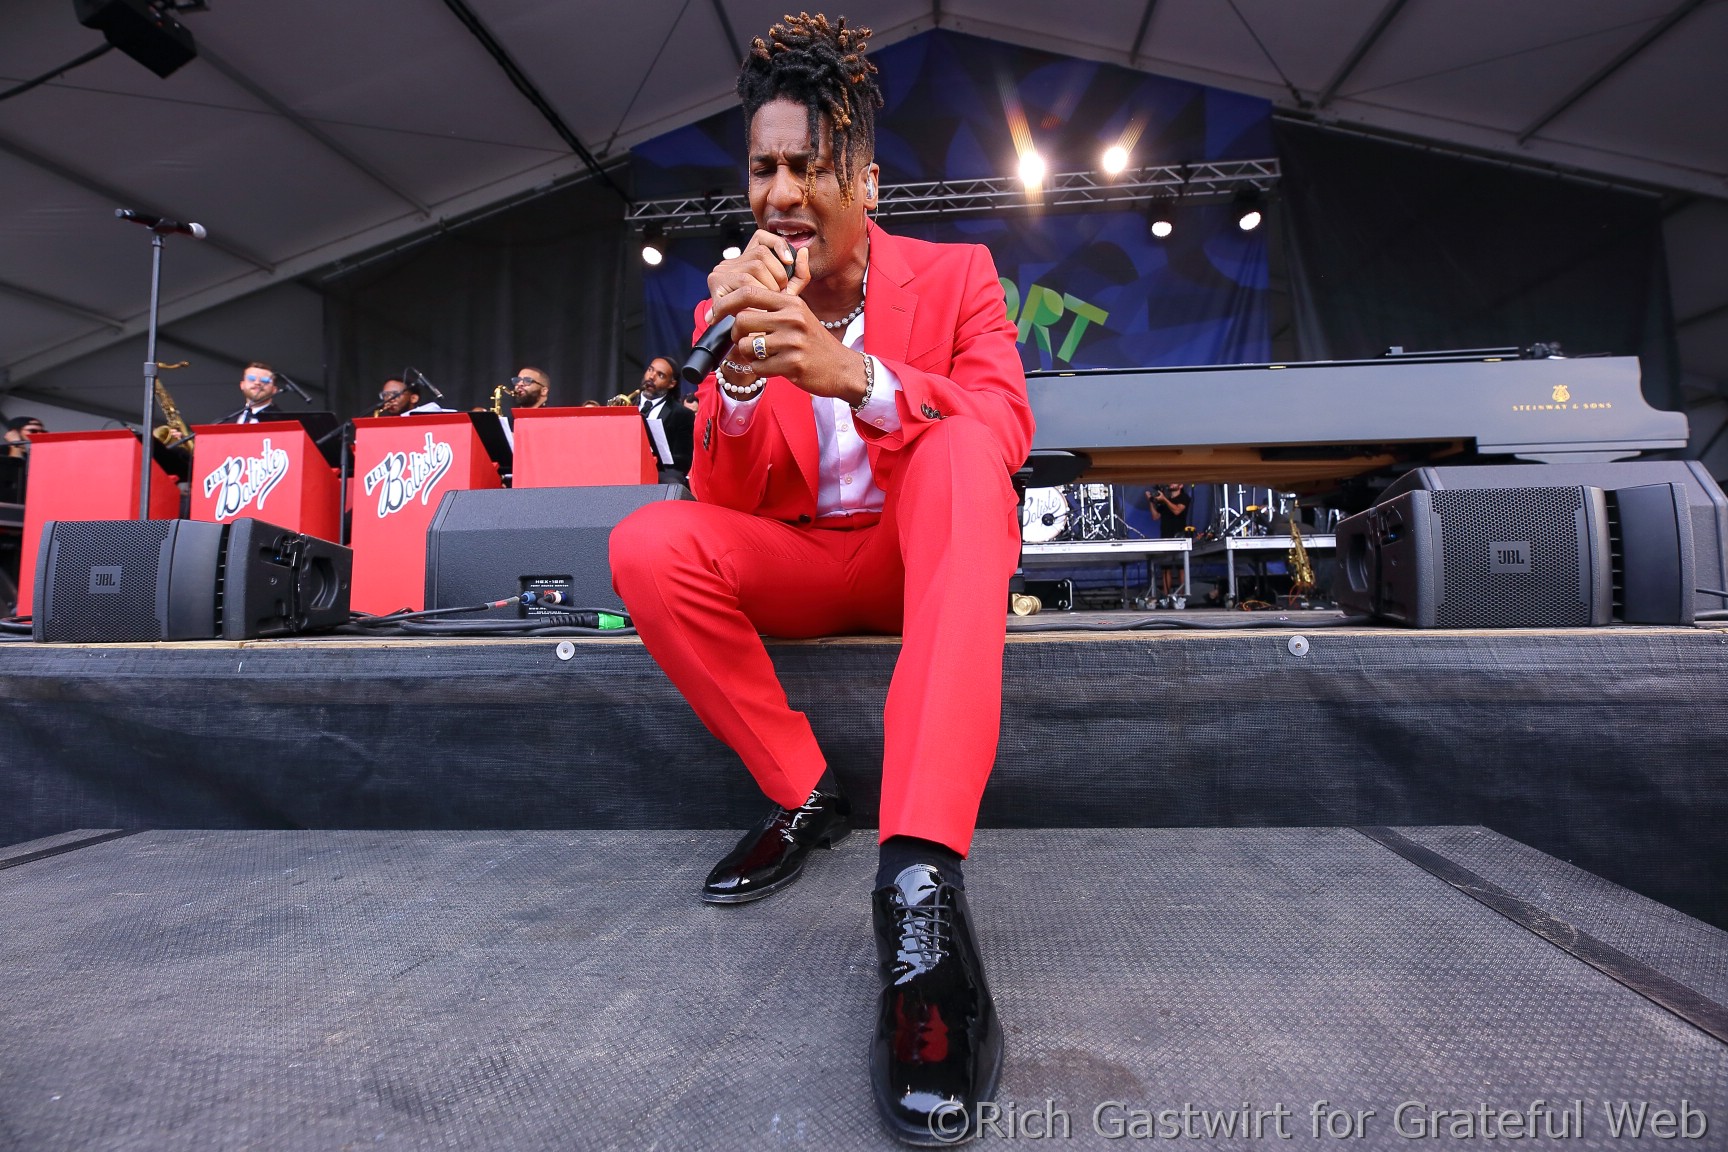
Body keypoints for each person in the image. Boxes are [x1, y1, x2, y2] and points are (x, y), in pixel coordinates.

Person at [609, 14, 1030, 1143]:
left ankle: (920, 887)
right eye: (764, 166)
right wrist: (739, 385)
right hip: (802, 563)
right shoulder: (727, 302)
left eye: (810, 165)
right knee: (649, 541)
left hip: (918, 558)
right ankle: (804, 794)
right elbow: (728, 504)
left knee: (955, 446)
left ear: (867, 180)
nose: (783, 190)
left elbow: (1007, 427)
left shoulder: (958, 276)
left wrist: (860, 378)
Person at [636, 356, 694, 484]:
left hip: (663, 473)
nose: (651, 377)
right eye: (650, 370)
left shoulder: (682, 414)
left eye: (660, 375)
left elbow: (684, 461)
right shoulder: (626, 405)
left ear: (672, 383)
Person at [377, 378, 449, 416]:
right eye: (385, 394)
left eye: (395, 394)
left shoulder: (425, 418)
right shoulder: (381, 420)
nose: (390, 399)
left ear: (413, 398)